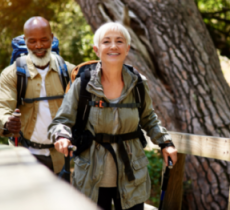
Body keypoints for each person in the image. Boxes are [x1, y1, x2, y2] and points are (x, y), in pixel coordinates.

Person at [48, 22, 177, 210]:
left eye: (119, 41)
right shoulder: (83, 84)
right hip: (92, 174)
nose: (113, 46)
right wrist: (61, 135)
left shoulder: (138, 84)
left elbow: (149, 119)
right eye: (106, 41)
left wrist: (166, 142)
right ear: (96, 49)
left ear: (127, 48)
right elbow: (61, 121)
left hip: (132, 173)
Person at [0, 16, 76, 174]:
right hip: (25, 156)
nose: (39, 46)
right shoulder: (12, 74)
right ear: (25, 40)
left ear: (52, 38)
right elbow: (2, 109)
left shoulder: (69, 72)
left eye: (44, 40)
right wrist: (7, 122)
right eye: (32, 41)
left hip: (61, 159)